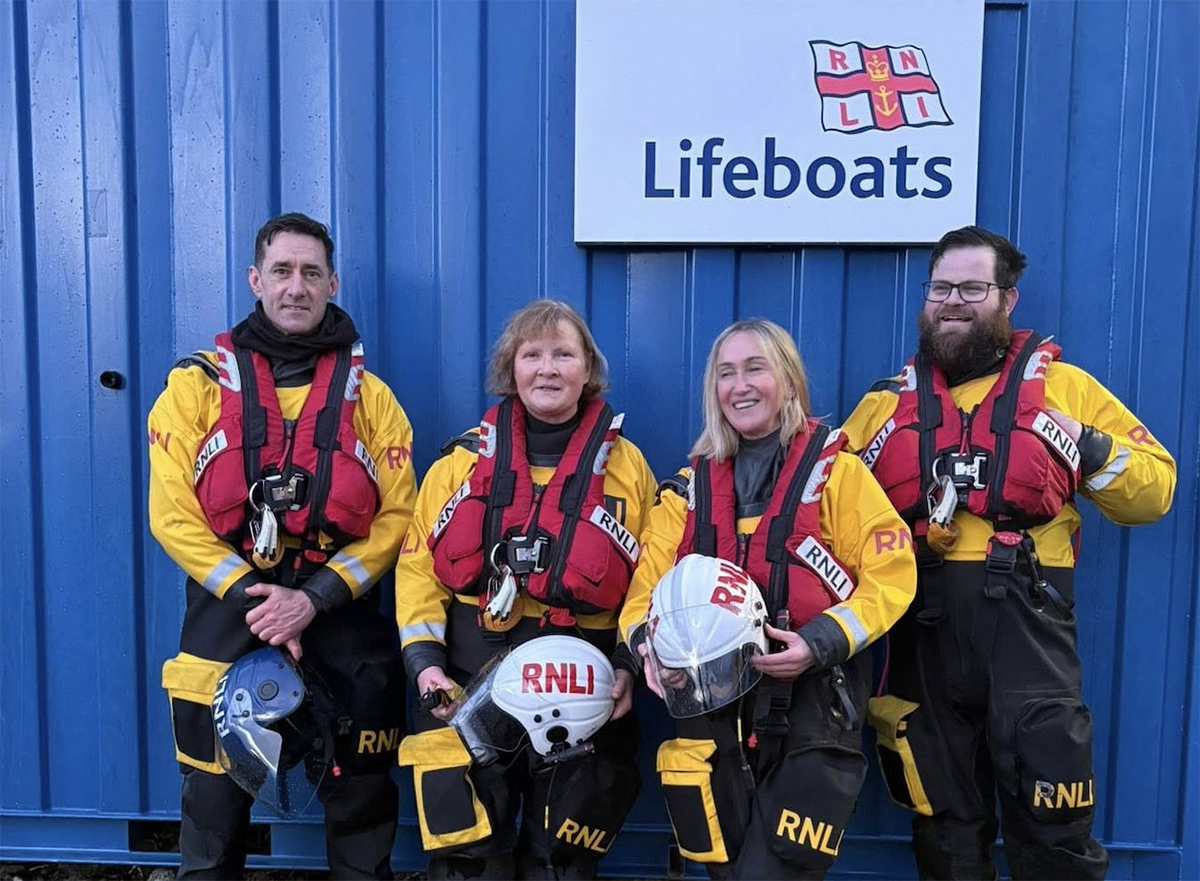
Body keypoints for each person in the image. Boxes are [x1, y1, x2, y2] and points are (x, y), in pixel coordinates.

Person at [840, 225, 1177, 881]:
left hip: (1029, 623)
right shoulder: (884, 405)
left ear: (1008, 297)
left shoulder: (1066, 390)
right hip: (924, 635)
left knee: (1055, 832)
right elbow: (821, 500)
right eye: (942, 287)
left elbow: (1155, 490)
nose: (955, 301)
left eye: (973, 286)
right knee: (943, 834)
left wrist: (1086, 444)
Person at [148, 212, 417, 881]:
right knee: (211, 809)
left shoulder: (374, 400)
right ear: (255, 279)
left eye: (310, 272)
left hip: (343, 619)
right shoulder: (194, 388)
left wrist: (314, 599)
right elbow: (171, 513)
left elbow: (398, 517)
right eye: (281, 270)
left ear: (332, 282)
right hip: (227, 615)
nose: (296, 286)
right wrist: (259, 599)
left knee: (362, 801)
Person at [618, 319, 917, 881]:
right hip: (711, 709)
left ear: (788, 380)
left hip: (813, 707)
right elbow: (642, 595)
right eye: (726, 373)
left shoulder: (839, 476)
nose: (740, 385)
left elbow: (893, 574)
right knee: (724, 868)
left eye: (755, 368)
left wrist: (820, 640)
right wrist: (645, 652)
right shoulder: (687, 492)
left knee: (775, 871)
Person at [396, 300, 656, 881]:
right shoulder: (457, 465)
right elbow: (417, 569)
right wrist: (424, 664)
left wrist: (626, 667)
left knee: (559, 860)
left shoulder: (628, 468)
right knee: (467, 857)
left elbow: (648, 581)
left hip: (582, 687)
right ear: (509, 369)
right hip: (464, 680)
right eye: (532, 354)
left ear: (588, 369)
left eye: (564, 354)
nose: (548, 368)